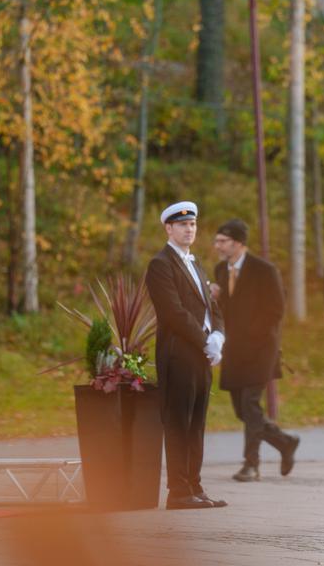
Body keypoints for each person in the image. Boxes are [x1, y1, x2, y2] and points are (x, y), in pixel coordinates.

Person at [145, 201, 228, 510]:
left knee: (196, 423)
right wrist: (205, 340)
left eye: (192, 224)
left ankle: (194, 485)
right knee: (179, 422)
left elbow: (211, 307)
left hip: (201, 354)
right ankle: (178, 491)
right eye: (182, 225)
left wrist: (218, 335)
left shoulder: (195, 263)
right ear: (168, 228)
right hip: (179, 354)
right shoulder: (161, 264)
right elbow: (173, 312)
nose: (189, 229)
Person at [211, 219, 300, 483]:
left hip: (261, 350)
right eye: (217, 241)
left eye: (223, 241)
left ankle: (251, 464)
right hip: (233, 352)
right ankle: (285, 442)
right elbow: (227, 311)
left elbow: (276, 310)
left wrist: (252, 338)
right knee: (242, 410)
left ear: (238, 243)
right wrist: (216, 298)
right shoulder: (220, 270)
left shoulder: (264, 270)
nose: (217, 246)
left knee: (250, 405)